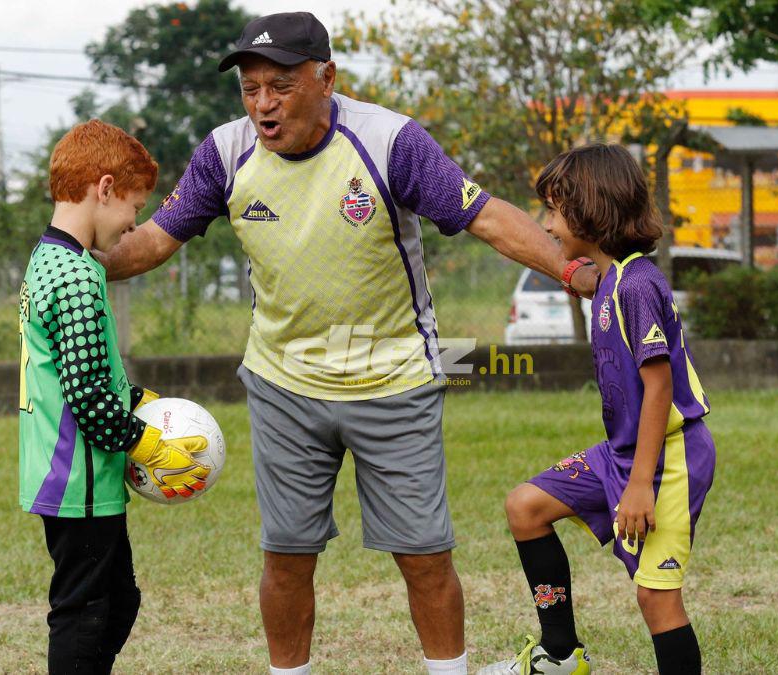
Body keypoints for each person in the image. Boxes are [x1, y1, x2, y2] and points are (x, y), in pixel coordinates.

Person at [96, 12, 600, 675]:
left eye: (280, 87)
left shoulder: (391, 143)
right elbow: (151, 243)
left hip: (393, 380)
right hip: (282, 384)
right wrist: (69, 252)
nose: (263, 105)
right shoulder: (224, 153)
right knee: (286, 557)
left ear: (326, 78)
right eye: (250, 89)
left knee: (424, 556)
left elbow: (484, 216)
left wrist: (569, 270)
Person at [481, 144, 716, 675]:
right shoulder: (608, 279)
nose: (548, 224)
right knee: (526, 507)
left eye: (554, 210)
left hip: (668, 459)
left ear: (591, 208)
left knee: (656, 598)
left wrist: (639, 485)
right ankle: (561, 655)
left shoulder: (636, 285)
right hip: (622, 452)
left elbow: (659, 387)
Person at [18, 119, 212, 673]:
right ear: (104, 189)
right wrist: (149, 444)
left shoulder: (49, 258)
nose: (133, 225)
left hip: (74, 477)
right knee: (83, 614)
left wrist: (140, 398)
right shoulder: (78, 277)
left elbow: (86, 371)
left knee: (118, 602)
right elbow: (87, 398)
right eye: (134, 207)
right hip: (76, 479)